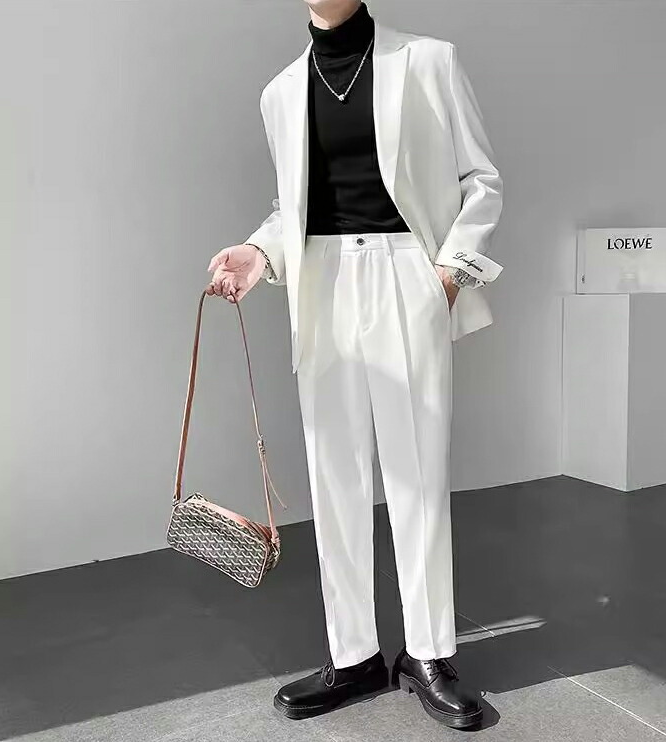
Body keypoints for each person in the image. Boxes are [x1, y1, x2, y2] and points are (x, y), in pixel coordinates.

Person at [206, 0, 504, 730]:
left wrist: (448, 275)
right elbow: (294, 208)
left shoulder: (428, 60)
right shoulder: (281, 92)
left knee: (417, 474)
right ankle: (354, 655)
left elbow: (482, 180)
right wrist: (259, 251)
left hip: (408, 273)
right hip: (322, 286)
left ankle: (428, 654)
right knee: (333, 473)